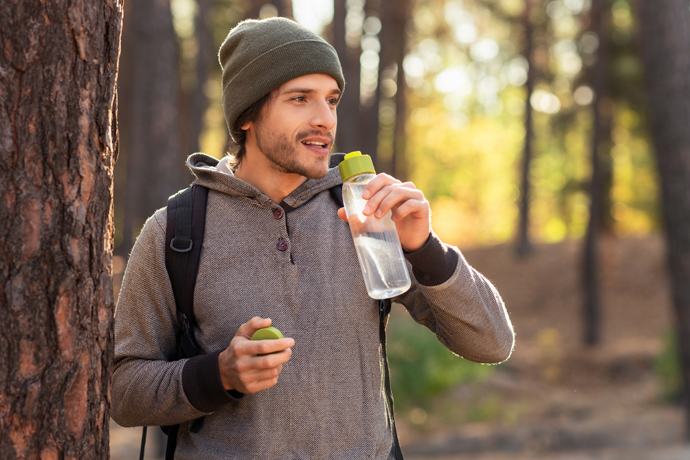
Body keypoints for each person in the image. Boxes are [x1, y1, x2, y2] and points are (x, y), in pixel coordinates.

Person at [112, 17, 514, 459]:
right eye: (300, 99)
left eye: (331, 100)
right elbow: (123, 389)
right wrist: (219, 374)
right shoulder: (176, 231)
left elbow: (491, 342)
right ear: (246, 115)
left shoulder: (366, 213)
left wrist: (425, 246)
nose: (324, 119)